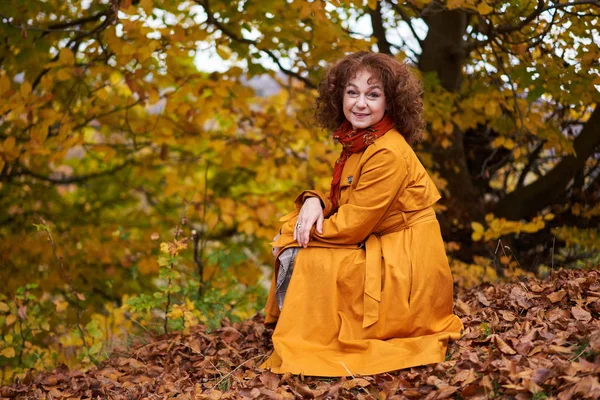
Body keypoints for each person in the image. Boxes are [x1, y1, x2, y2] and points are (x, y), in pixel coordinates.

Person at [261, 52, 463, 377]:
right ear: (339, 96)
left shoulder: (387, 152)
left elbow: (352, 226)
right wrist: (313, 202)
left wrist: (291, 233)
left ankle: (308, 336)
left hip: (407, 266)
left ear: (389, 103)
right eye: (352, 92)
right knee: (304, 247)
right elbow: (342, 202)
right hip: (387, 247)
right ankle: (299, 326)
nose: (360, 103)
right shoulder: (359, 144)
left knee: (309, 256)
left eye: (373, 94)